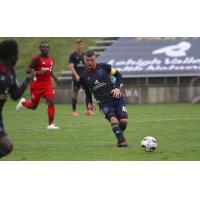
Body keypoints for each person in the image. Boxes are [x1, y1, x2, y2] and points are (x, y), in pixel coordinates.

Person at [80, 51, 128, 147]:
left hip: (117, 98)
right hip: (103, 103)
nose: (89, 62)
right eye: (87, 60)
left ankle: (118, 132)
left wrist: (117, 87)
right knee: (113, 119)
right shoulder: (83, 76)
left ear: (95, 60)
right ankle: (121, 141)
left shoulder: (104, 67)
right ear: (85, 61)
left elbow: (118, 74)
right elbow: (87, 91)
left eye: (92, 60)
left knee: (123, 121)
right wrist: (90, 102)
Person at [16, 42, 60, 129]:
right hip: (37, 85)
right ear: (40, 48)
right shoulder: (36, 59)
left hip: (47, 84)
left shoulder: (51, 59)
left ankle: (50, 124)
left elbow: (50, 71)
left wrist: (55, 78)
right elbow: (28, 70)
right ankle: (23, 103)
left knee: (50, 101)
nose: (45, 48)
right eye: (43, 47)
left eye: (47, 47)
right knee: (33, 106)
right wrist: (37, 72)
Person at [0, 39, 31, 158]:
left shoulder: (10, 72)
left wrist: (28, 80)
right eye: (16, 54)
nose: (18, 57)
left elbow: (15, 95)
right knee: (6, 145)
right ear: (11, 55)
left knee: (8, 147)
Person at [69, 39, 94, 117]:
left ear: (82, 45)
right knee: (75, 93)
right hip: (76, 77)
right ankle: (74, 111)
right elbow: (72, 67)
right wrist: (76, 75)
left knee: (88, 92)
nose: (79, 46)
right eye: (78, 45)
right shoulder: (72, 55)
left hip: (84, 77)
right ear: (76, 45)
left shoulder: (84, 55)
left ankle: (88, 110)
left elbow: (87, 65)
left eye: (81, 44)